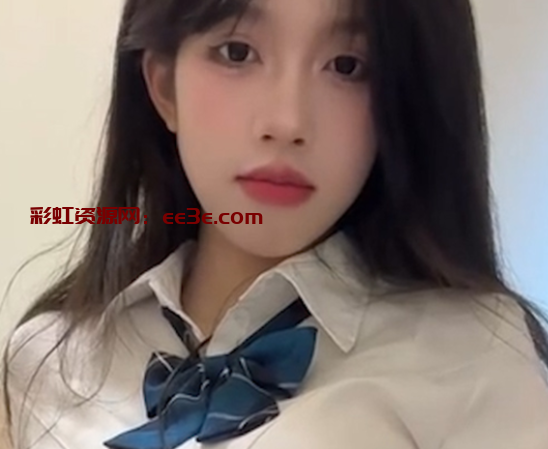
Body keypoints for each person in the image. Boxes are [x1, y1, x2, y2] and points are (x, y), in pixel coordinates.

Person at [3, 0, 548, 447]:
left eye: (347, 66)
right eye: (237, 52)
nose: (287, 122)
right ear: (164, 88)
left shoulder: (474, 358)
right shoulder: (44, 363)